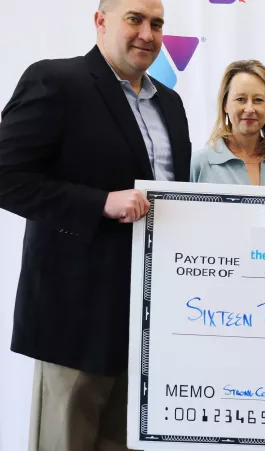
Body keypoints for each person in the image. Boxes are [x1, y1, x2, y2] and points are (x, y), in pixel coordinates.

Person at [0, 0, 192, 449]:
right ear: (101, 22)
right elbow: (6, 177)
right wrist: (99, 203)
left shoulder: (172, 103)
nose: (148, 33)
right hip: (74, 316)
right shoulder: (57, 80)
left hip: (149, 320)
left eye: (157, 24)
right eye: (135, 19)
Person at [190, 60, 265, 186]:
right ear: (225, 105)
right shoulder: (199, 164)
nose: (249, 109)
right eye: (240, 99)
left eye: (258, 100)